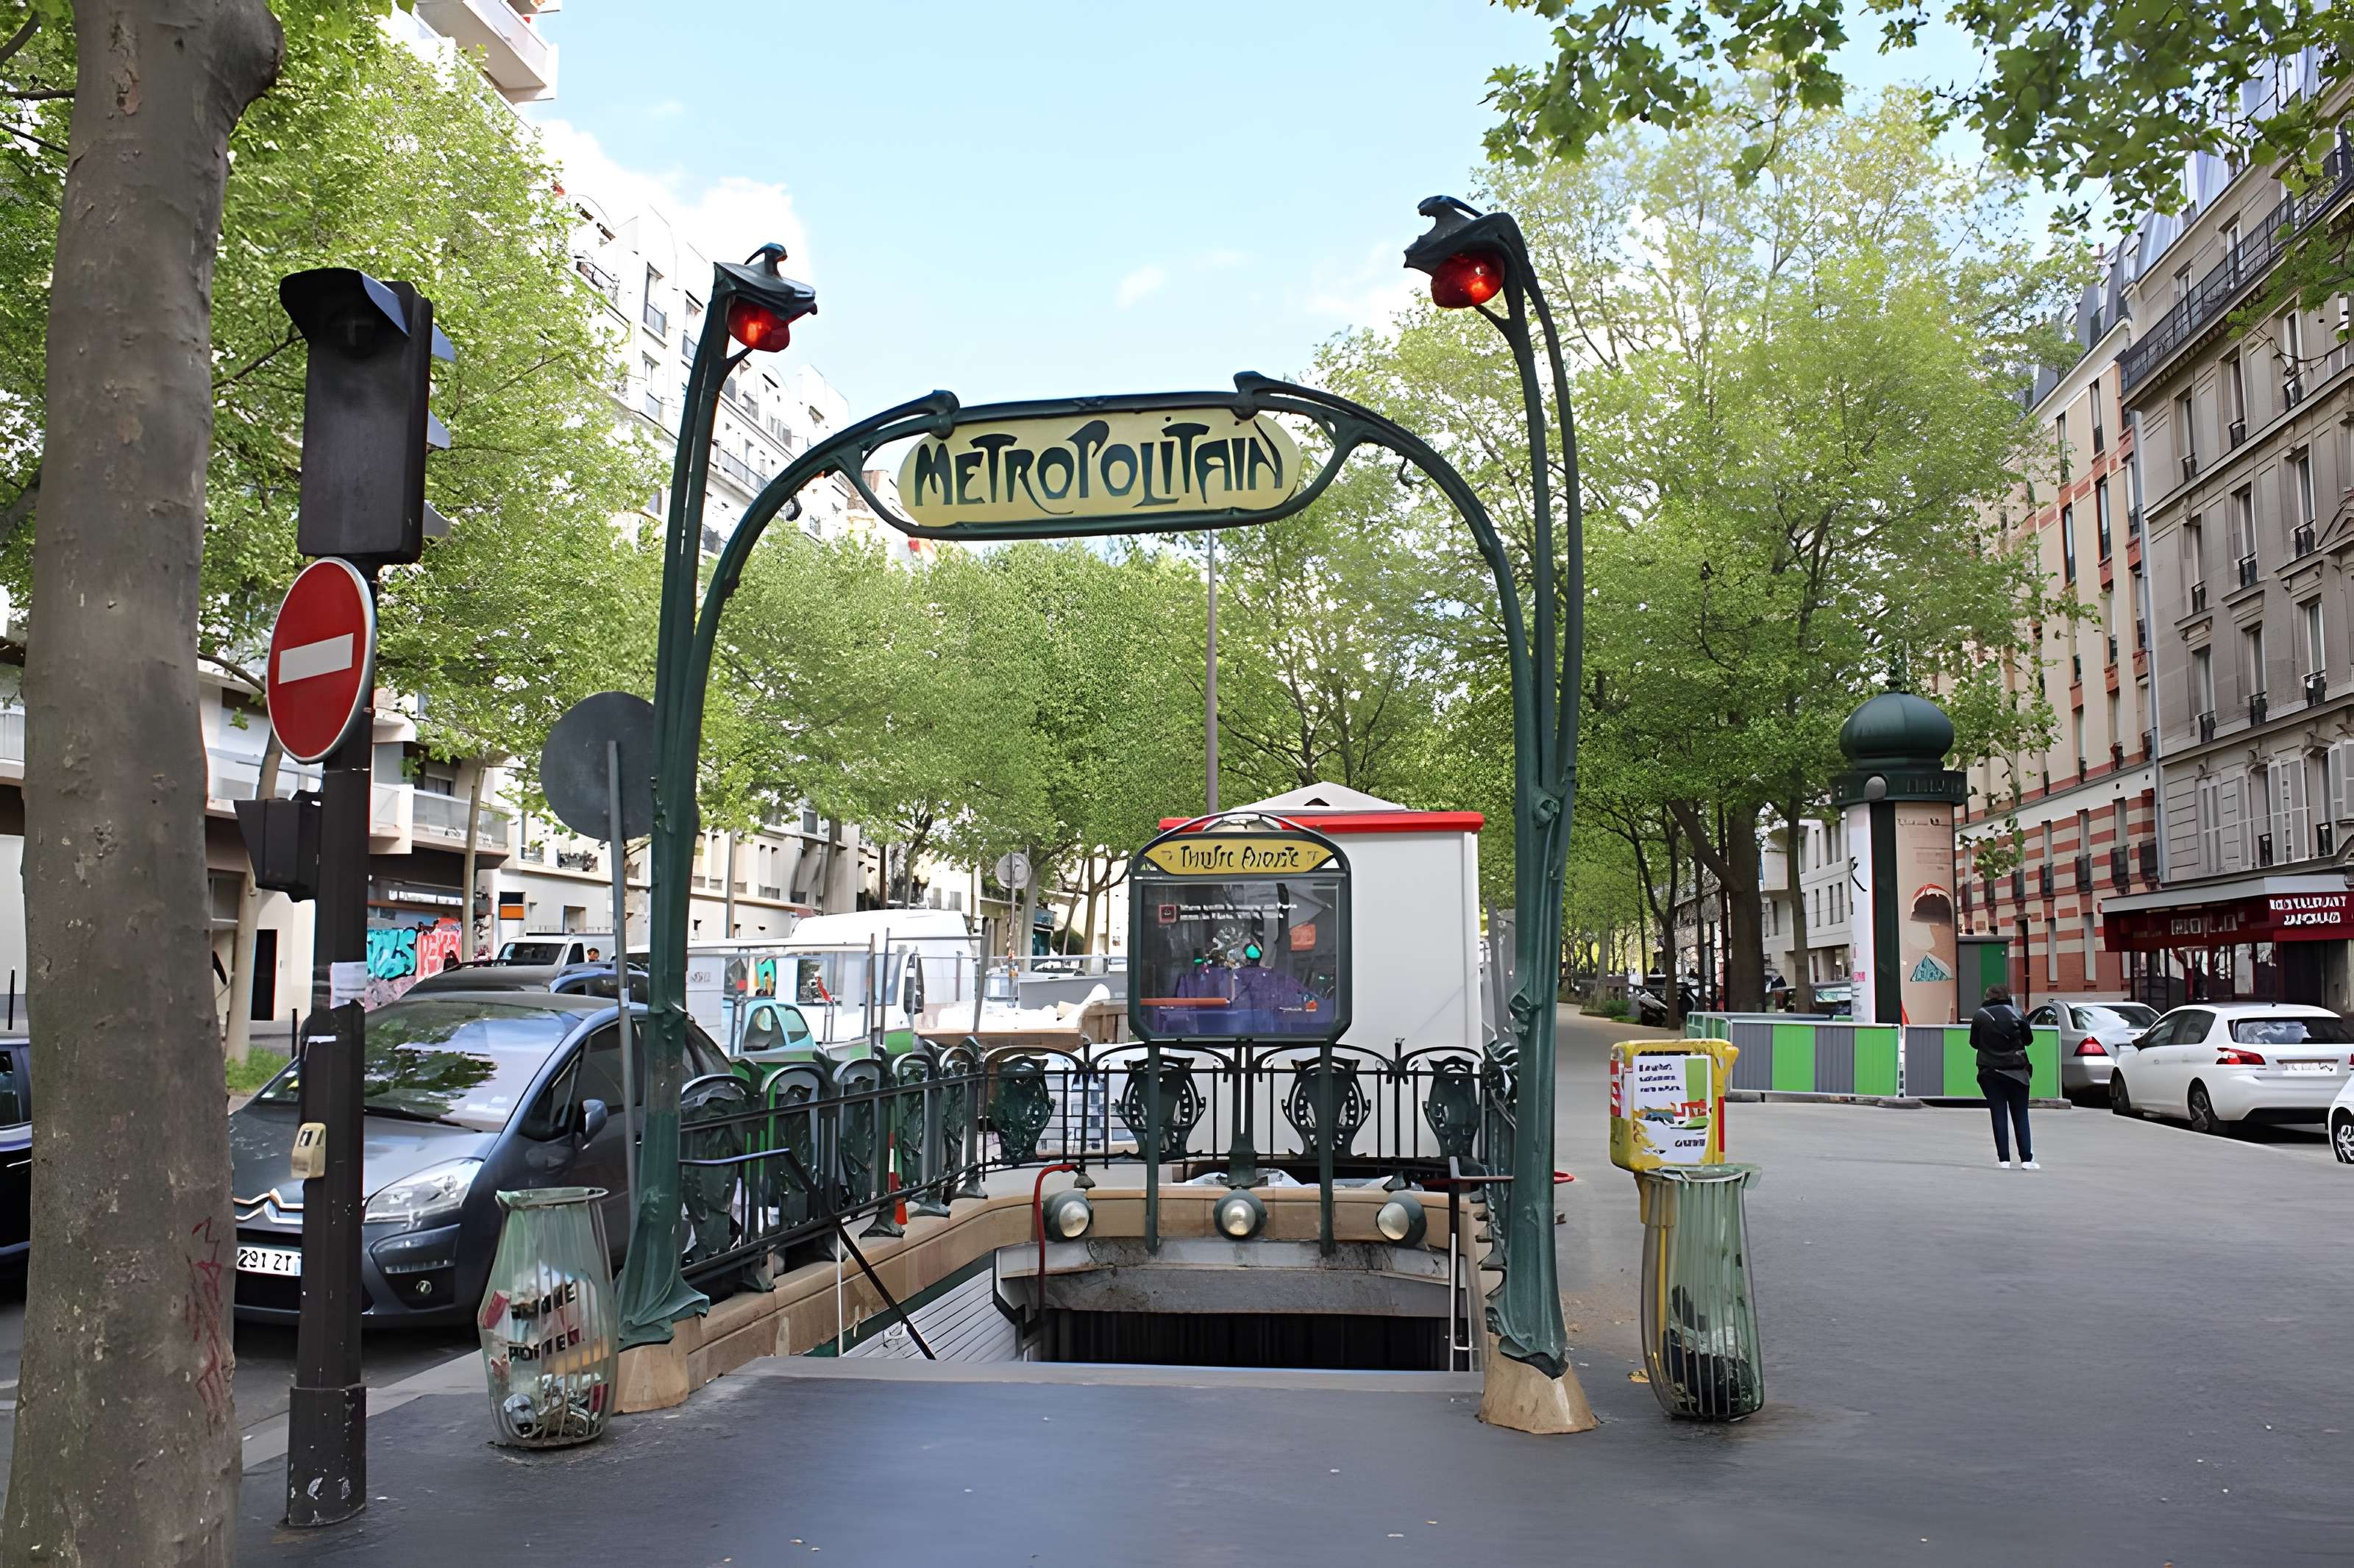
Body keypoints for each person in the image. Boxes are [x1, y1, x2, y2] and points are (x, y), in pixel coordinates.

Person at [1969, 984, 2038, 1169]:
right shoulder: (2018, 1014)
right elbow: (2029, 1040)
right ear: (2007, 996)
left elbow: (1974, 1043)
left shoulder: (1980, 1015)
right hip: (2017, 1072)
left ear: (1988, 997)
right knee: (2021, 1114)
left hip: (1990, 1072)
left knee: (1998, 1113)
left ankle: (2004, 1160)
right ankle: (2026, 1159)